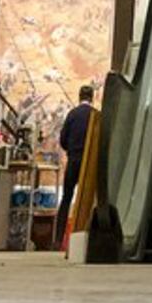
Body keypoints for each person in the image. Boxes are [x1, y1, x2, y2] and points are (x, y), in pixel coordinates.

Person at [57, 83, 97, 236]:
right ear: (92, 98)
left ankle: (59, 238)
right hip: (89, 162)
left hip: (73, 160)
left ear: (79, 97)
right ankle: (84, 236)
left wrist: (71, 150)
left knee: (66, 198)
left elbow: (63, 139)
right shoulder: (95, 116)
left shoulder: (72, 114)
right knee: (88, 200)